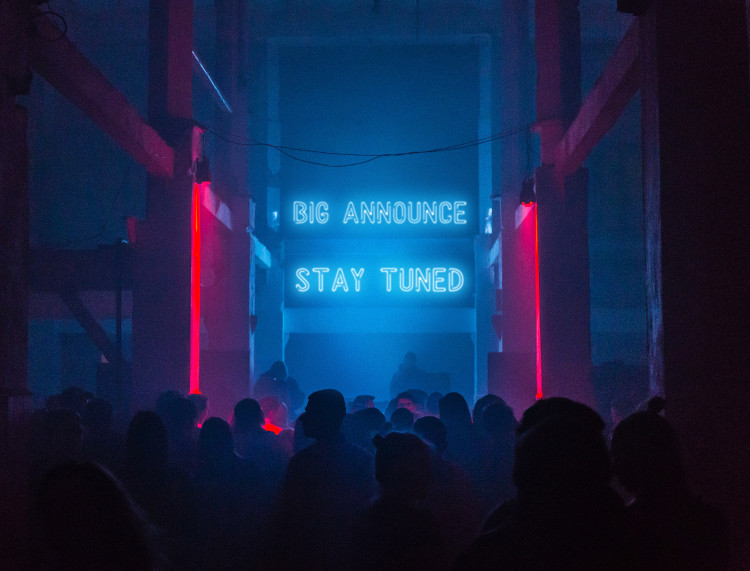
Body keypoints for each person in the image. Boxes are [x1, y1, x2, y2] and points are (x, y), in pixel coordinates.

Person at [268, 389, 376, 570]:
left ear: (324, 417)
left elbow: (290, 512)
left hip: (311, 553)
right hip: (349, 551)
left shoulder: (303, 461)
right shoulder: (362, 458)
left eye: (309, 412)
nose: (304, 419)